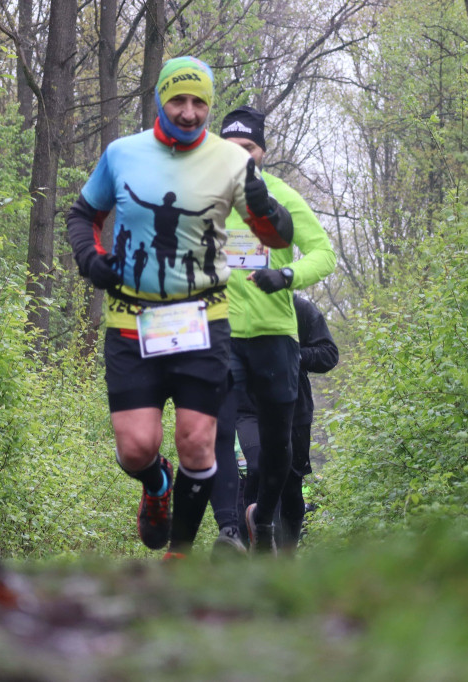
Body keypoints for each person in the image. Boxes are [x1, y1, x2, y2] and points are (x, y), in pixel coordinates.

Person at [65, 58, 294, 560]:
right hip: (131, 321)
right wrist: (90, 258)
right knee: (135, 448)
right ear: (160, 100)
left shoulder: (231, 160)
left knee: (198, 441)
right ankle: (156, 482)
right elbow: (83, 215)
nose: (189, 112)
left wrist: (266, 207)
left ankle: (180, 553)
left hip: (202, 321)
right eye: (178, 101)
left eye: (199, 103)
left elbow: (276, 238)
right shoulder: (122, 154)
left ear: (209, 105)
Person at [208, 105, 336, 557]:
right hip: (222, 335)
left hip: (275, 336)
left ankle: (262, 519)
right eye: (231, 148)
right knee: (221, 436)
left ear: (262, 152)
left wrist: (287, 276)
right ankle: (228, 531)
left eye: (249, 147)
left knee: (280, 450)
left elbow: (323, 254)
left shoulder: (282, 195)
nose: (240, 156)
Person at [233, 294, 338, 553]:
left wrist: (292, 355)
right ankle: (258, 550)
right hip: (248, 409)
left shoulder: (299, 308)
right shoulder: (234, 306)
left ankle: (288, 558)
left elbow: (329, 354)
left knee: (291, 487)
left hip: (293, 411)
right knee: (256, 471)